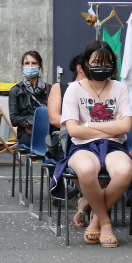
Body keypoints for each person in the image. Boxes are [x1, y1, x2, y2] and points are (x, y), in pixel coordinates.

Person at [52, 40, 132, 248]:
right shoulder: (74, 90)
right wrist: (109, 125)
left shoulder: (120, 88)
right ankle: (106, 223)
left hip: (114, 145)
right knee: (87, 170)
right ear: (86, 63)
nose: (101, 66)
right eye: (96, 62)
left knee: (124, 172)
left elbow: (125, 127)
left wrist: (89, 124)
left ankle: (96, 218)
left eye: (106, 62)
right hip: (82, 146)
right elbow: (74, 130)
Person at [47, 54, 90, 227]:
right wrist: (82, 125)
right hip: (66, 135)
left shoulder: (102, 88)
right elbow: (54, 119)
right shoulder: (61, 87)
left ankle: (87, 200)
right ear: (80, 67)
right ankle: (93, 201)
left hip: (92, 134)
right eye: (92, 63)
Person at [9, 50, 53, 147]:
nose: (30, 66)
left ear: (39, 66)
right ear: (23, 66)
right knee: (43, 143)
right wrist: (36, 119)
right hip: (27, 132)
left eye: (34, 63)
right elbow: (14, 119)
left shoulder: (49, 89)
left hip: (49, 130)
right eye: (27, 63)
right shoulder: (16, 91)